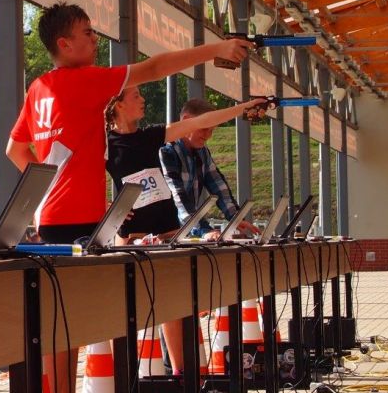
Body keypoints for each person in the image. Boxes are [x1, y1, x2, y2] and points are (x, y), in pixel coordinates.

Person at [5, 2, 253, 393]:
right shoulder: (84, 80)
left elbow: (15, 149)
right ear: (65, 44)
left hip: (53, 220)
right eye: (87, 33)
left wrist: (46, 188)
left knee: (60, 327)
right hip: (82, 223)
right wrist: (215, 49)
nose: (95, 39)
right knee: (77, 324)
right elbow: (154, 67)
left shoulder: (38, 88)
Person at [105, 86, 268, 374]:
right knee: (127, 310)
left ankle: (183, 376)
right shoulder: (107, 144)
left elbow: (204, 135)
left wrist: (244, 107)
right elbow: (82, 177)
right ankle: (127, 377)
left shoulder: (153, 136)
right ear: (117, 104)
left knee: (175, 306)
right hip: (131, 237)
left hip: (168, 233)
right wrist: (106, 206)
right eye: (136, 96)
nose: (143, 99)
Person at [160, 98, 262, 243]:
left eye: (212, 130)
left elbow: (218, 186)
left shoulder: (202, 152)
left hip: (184, 232)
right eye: (204, 128)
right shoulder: (166, 150)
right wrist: (204, 230)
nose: (208, 135)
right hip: (162, 234)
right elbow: (179, 197)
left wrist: (236, 217)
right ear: (186, 120)